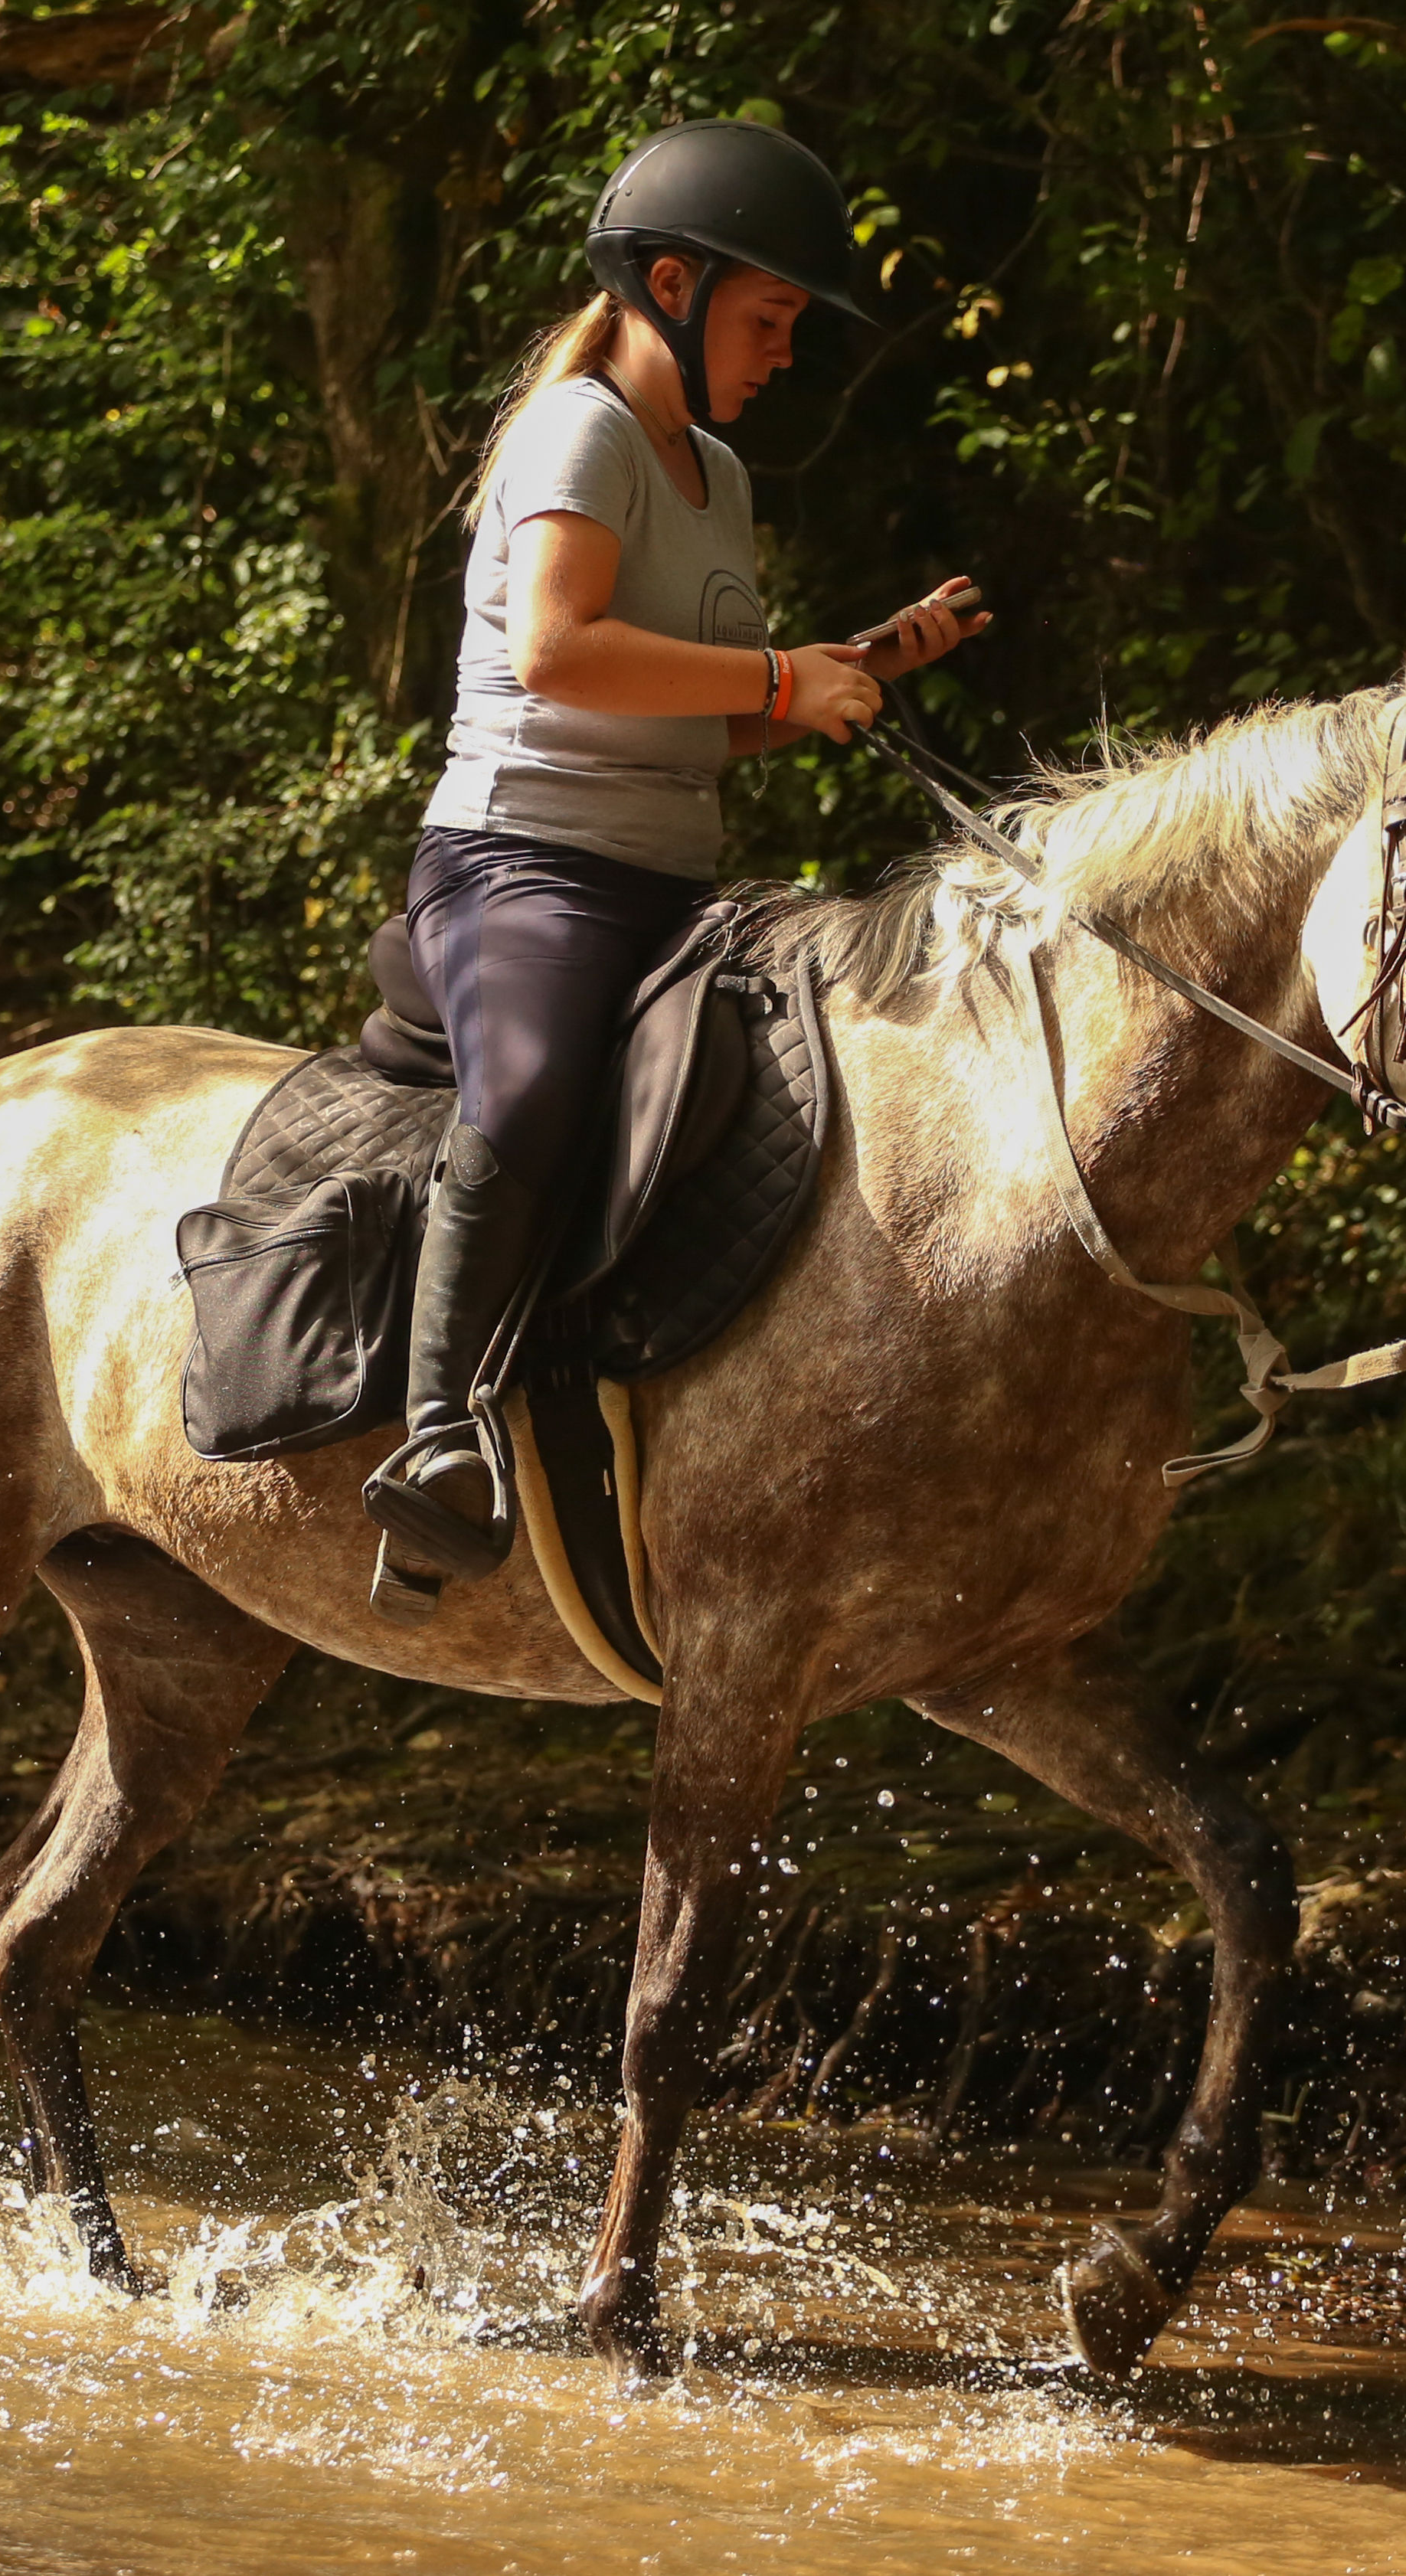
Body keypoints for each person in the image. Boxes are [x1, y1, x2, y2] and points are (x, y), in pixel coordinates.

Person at [358, 117, 989, 1617]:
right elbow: (560, 653)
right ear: (669, 287)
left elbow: (705, 724)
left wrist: (850, 670)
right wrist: (780, 681)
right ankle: (437, 1434)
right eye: (770, 320)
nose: (783, 355)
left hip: (675, 883)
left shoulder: (714, 472)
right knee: (526, 1092)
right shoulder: (577, 429)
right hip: (524, 874)